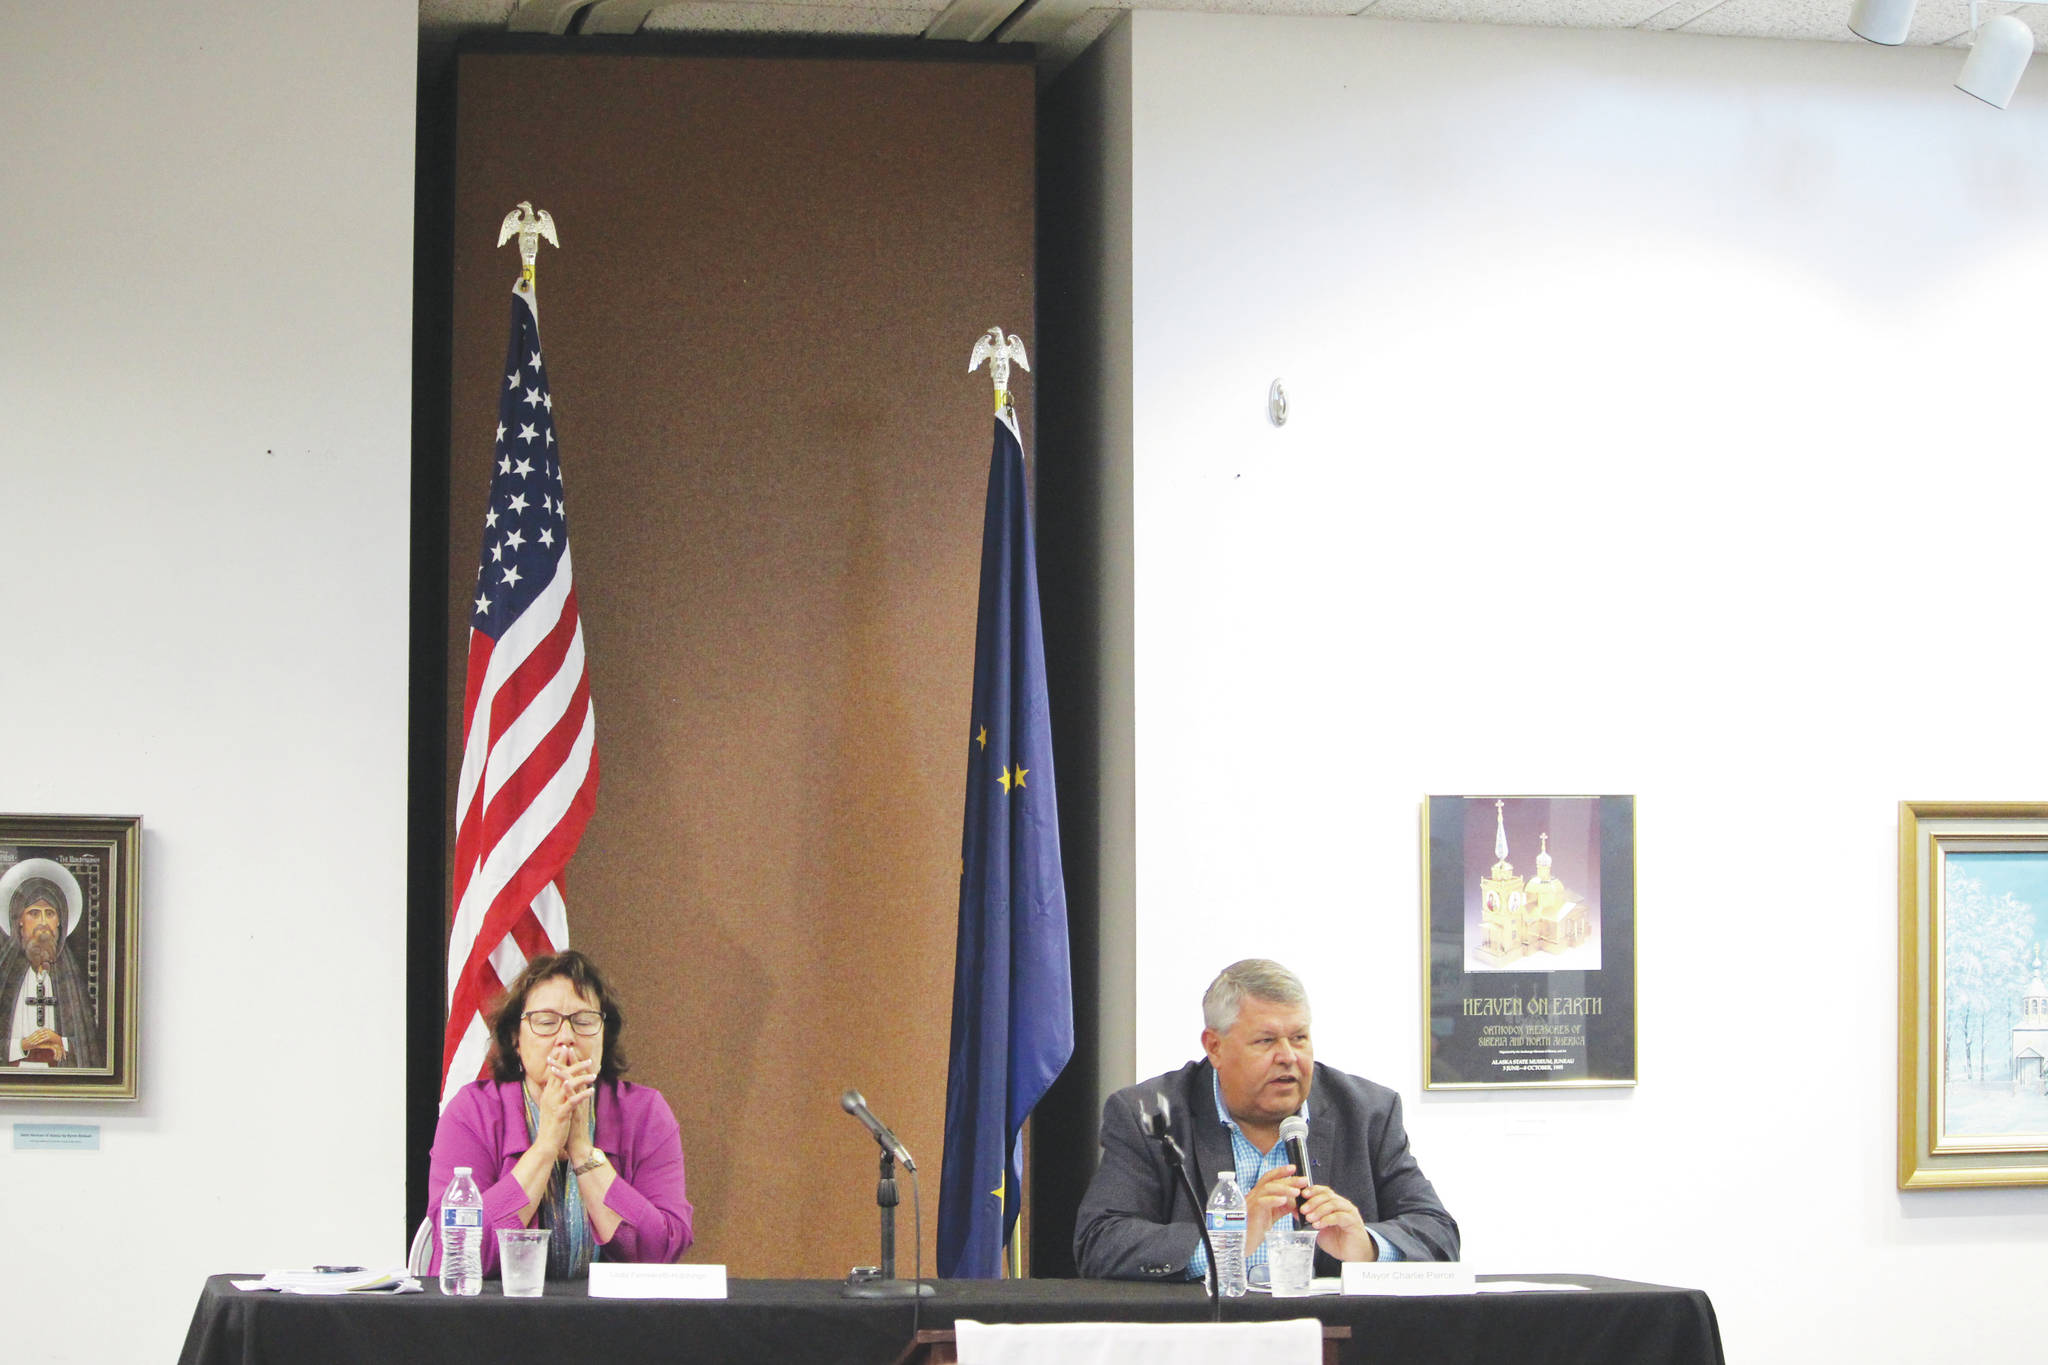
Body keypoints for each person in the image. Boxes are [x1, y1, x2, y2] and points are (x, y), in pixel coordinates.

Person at [1074, 958, 1457, 1281]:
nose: (1288, 1057)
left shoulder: (1368, 1112)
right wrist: (1225, 1240)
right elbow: (1100, 1241)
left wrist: (1369, 1247)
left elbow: (1438, 1233)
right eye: (1266, 1041)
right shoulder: (1153, 1116)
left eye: (1300, 1038)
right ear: (1215, 1047)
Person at [426, 950, 693, 1279]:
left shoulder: (645, 1113)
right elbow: (461, 1251)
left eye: (583, 1022)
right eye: (546, 1022)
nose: (565, 1038)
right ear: (516, 1040)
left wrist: (582, 1149)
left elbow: (659, 1252)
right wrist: (546, 1145)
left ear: (603, 1037)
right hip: (498, 1321)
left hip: (616, 1323)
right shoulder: (472, 1113)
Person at [0, 860, 103, 1068]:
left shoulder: (69, 978)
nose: (43, 922)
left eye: (50, 913)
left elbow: (87, 1047)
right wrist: (23, 1044)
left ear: (59, 921)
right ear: (19, 920)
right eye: (34, 913)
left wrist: (61, 1042)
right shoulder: (4, 974)